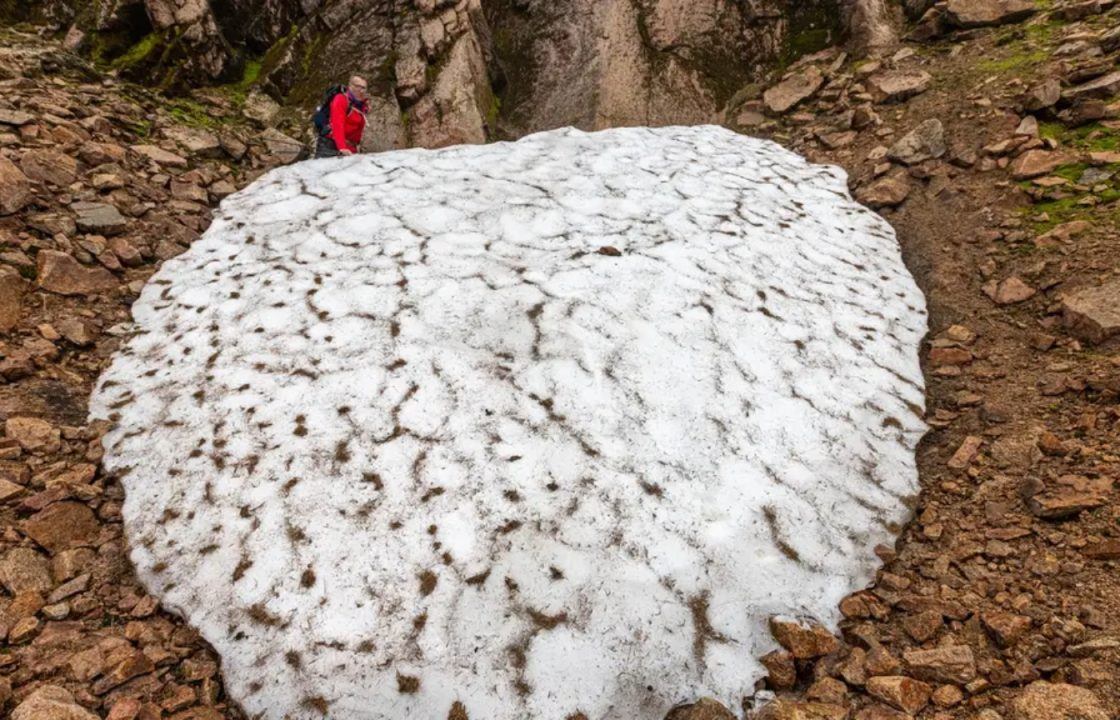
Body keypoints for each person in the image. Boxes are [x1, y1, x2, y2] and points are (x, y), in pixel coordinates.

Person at [314, 75, 370, 159]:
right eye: (357, 86)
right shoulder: (341, 99)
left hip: (350, 147)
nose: (361, 90)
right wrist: (342, 147)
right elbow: (337, 124)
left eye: (363, 88)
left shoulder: (360, 105)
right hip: (331, 146)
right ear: (350, 86)